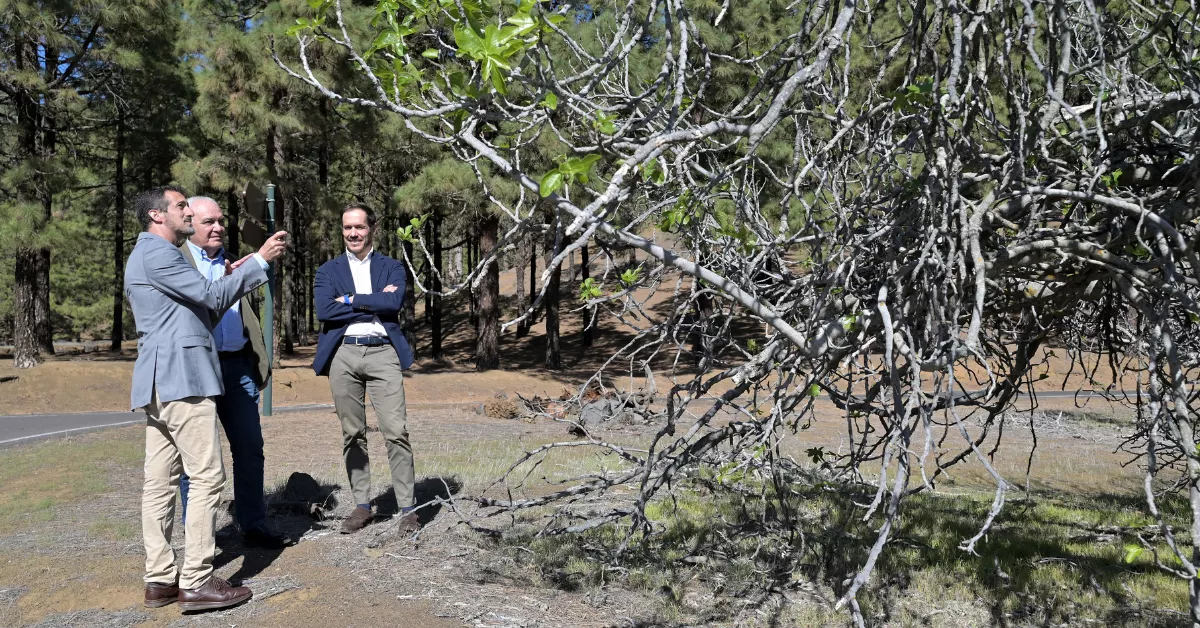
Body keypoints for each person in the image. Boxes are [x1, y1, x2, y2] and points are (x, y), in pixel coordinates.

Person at [124, 185, 288, 611]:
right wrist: (258, 262)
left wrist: (234, 274)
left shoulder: (147, 255)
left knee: (159, 482)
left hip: (161, 382)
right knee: (207, 477)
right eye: (181, 207)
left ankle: (159, 579)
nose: (189, 214)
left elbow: (201, 309)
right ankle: (196, 580)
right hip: (183, 380)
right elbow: (213, 297)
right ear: (158, 216)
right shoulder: (161, 254)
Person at [175, 196, 292, 550]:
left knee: (250, 448)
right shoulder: (176, 261)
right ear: (188, 224)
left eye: (221, 220)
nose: (218, 227)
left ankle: (253, 523)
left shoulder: (227, 262)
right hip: (198, 369)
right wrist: (254, 264)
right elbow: (204, 304)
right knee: (195, 459)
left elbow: (238, 309)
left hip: (237, 364)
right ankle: (200, 536)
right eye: (208, 221)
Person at [312, 203, 417, 534]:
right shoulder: (328, 271)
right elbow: (324, 311)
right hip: (343, 354)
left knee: (396, 431)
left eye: (359, 227)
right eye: (347, 228)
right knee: (352, 433)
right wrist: (371, 301)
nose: (352, 233)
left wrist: (348, 300)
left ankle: (408, 509)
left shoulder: (392, 267)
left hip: (383, 353)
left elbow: (393, 303)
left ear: (372, 228)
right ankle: (362, 506)